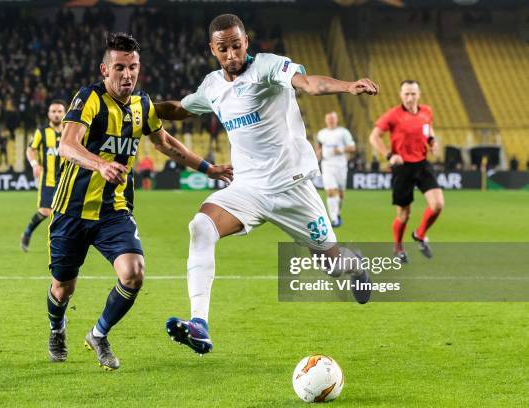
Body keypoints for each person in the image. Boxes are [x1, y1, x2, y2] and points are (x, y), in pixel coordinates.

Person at [155, 14, 378, 355]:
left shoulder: (270, 67)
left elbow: (309, 84)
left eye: (236, 45)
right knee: (201, 226)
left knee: (332, 265)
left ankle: (355, 264)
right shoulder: (212, 86)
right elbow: (179, 109)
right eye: (223, 48)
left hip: (293, 189)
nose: (231, 54)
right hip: (248, 190)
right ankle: (199, 323)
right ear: (212, 50)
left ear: (246, 42)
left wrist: (347, 86)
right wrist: (136, 112)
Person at [45, 32, 232, 370]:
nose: (127, 75)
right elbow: (67, 146)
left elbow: (165, 143)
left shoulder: (142, 105)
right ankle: (57, 327)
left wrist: (208, 167)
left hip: (114, 211)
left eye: (133, 67)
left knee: (134, 273)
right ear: (105, 69)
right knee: (62, 288)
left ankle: (99, 334)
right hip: (71, 211)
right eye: (119, 68)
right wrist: (101, 163)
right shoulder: (88, 99)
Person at [369, 80, 444, 263]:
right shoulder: (393, 115)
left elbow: (428, 128)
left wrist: (432, 142)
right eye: (406, 94)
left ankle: (419, 234)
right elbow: (374, 136)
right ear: (400, 95)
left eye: (413, 94)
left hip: (422, 164)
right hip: (402, 168)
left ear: (419, 94)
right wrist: (389, 155)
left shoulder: (426, 111)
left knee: (437, 205)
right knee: (404, 214)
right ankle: (398, 248)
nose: (410, 97)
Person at [20, 100, 66, 252]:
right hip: (48, 179)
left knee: (68, 213)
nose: (57, 114)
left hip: (67, 180)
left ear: (64, 113)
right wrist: (34, 164)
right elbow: (30, 149)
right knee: (45, 211)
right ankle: (27, 233)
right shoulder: (41, 131)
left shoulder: (70, 131)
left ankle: (64, 245)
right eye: (53, 111)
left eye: (59, 111)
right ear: (48, 114)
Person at [315, 111, 356, 227]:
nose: (331, 121)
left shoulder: (343, 132)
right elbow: (319, 147)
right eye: (329, 119)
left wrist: (341, 149)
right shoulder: (321, 133)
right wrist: (316, 155)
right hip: (327, 165)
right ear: (326, 120)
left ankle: (337, 213)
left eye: (333, 119)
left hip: (341, 165)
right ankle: (333, 219)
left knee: (341, 194)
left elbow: (352, 147)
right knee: (331, 191)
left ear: (336, 120)